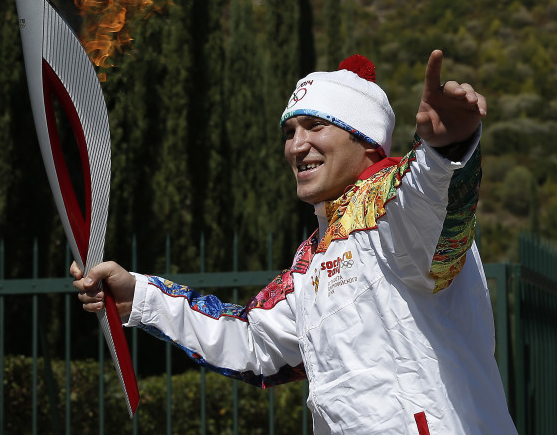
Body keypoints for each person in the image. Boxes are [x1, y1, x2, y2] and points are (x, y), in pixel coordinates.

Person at [72, 50, 517, 434]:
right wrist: (141, 295)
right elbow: (251, 342)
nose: (296, 146)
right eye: (290, 132)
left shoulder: (392, 210)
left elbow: (435, 203)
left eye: (315, 127)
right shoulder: (313, 259)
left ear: (364, 140)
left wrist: (445, 150)